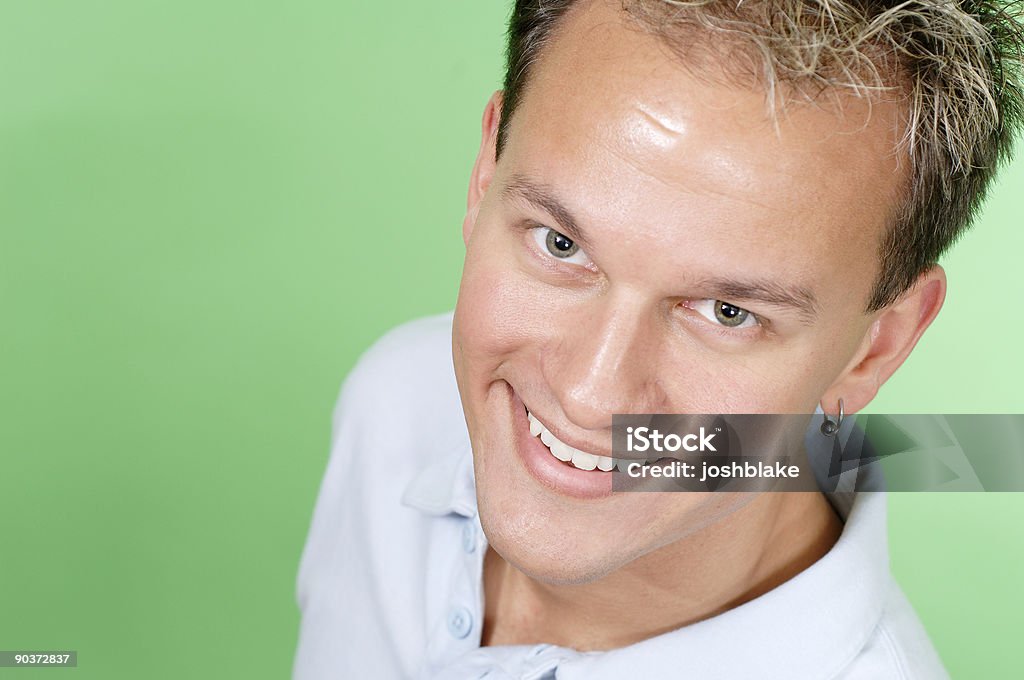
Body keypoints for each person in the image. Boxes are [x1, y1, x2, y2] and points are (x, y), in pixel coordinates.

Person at [292, 1, 1024, 678]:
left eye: (727, 312)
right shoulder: (397, 402)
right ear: (486, 174)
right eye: (560, 243)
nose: (587, 394)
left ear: (877, 349)